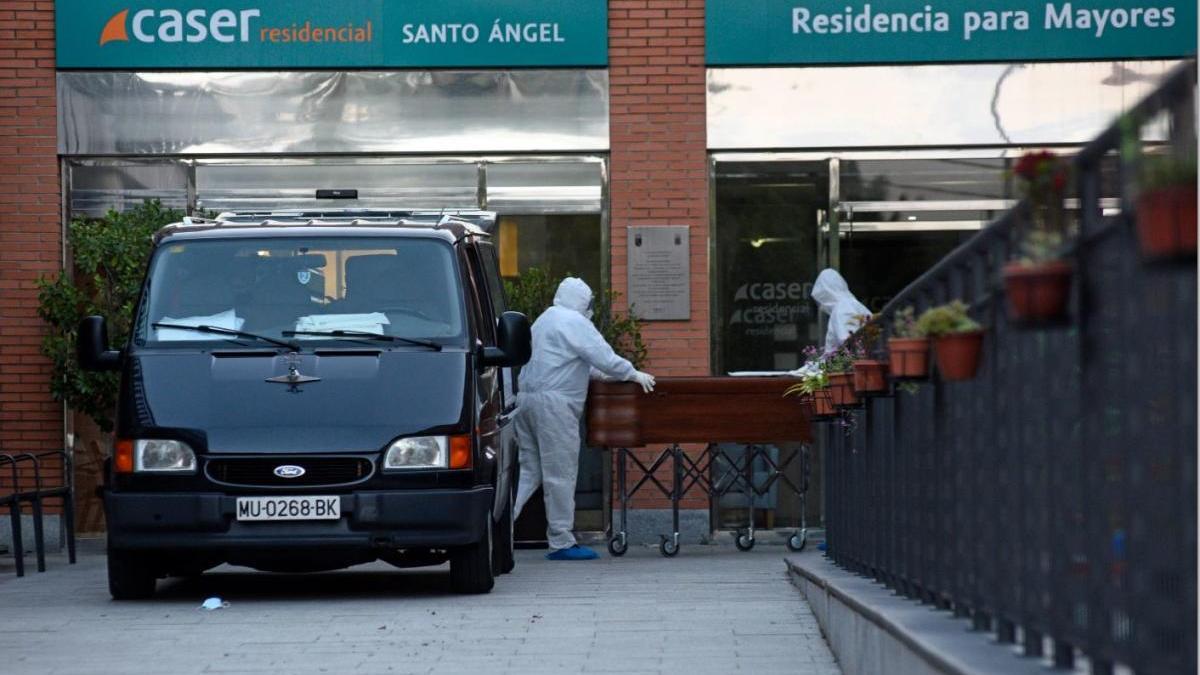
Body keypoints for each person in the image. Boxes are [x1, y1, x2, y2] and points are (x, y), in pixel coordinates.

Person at [514, 277, 656, 560]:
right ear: (582, 301)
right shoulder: (575, 322)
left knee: (529, 472)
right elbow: (603, 356)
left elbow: (576, 363)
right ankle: (561, 542)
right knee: (560, 475)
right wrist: (631, 373)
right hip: (554, 406)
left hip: (526, 402)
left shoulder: (545, 320)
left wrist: (611, 373)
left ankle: (497, 526)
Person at [811, 268, 870, 355]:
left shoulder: (842, 307)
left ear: (825, 292)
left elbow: (848, 343)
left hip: (844, 365)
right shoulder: (851, 303)